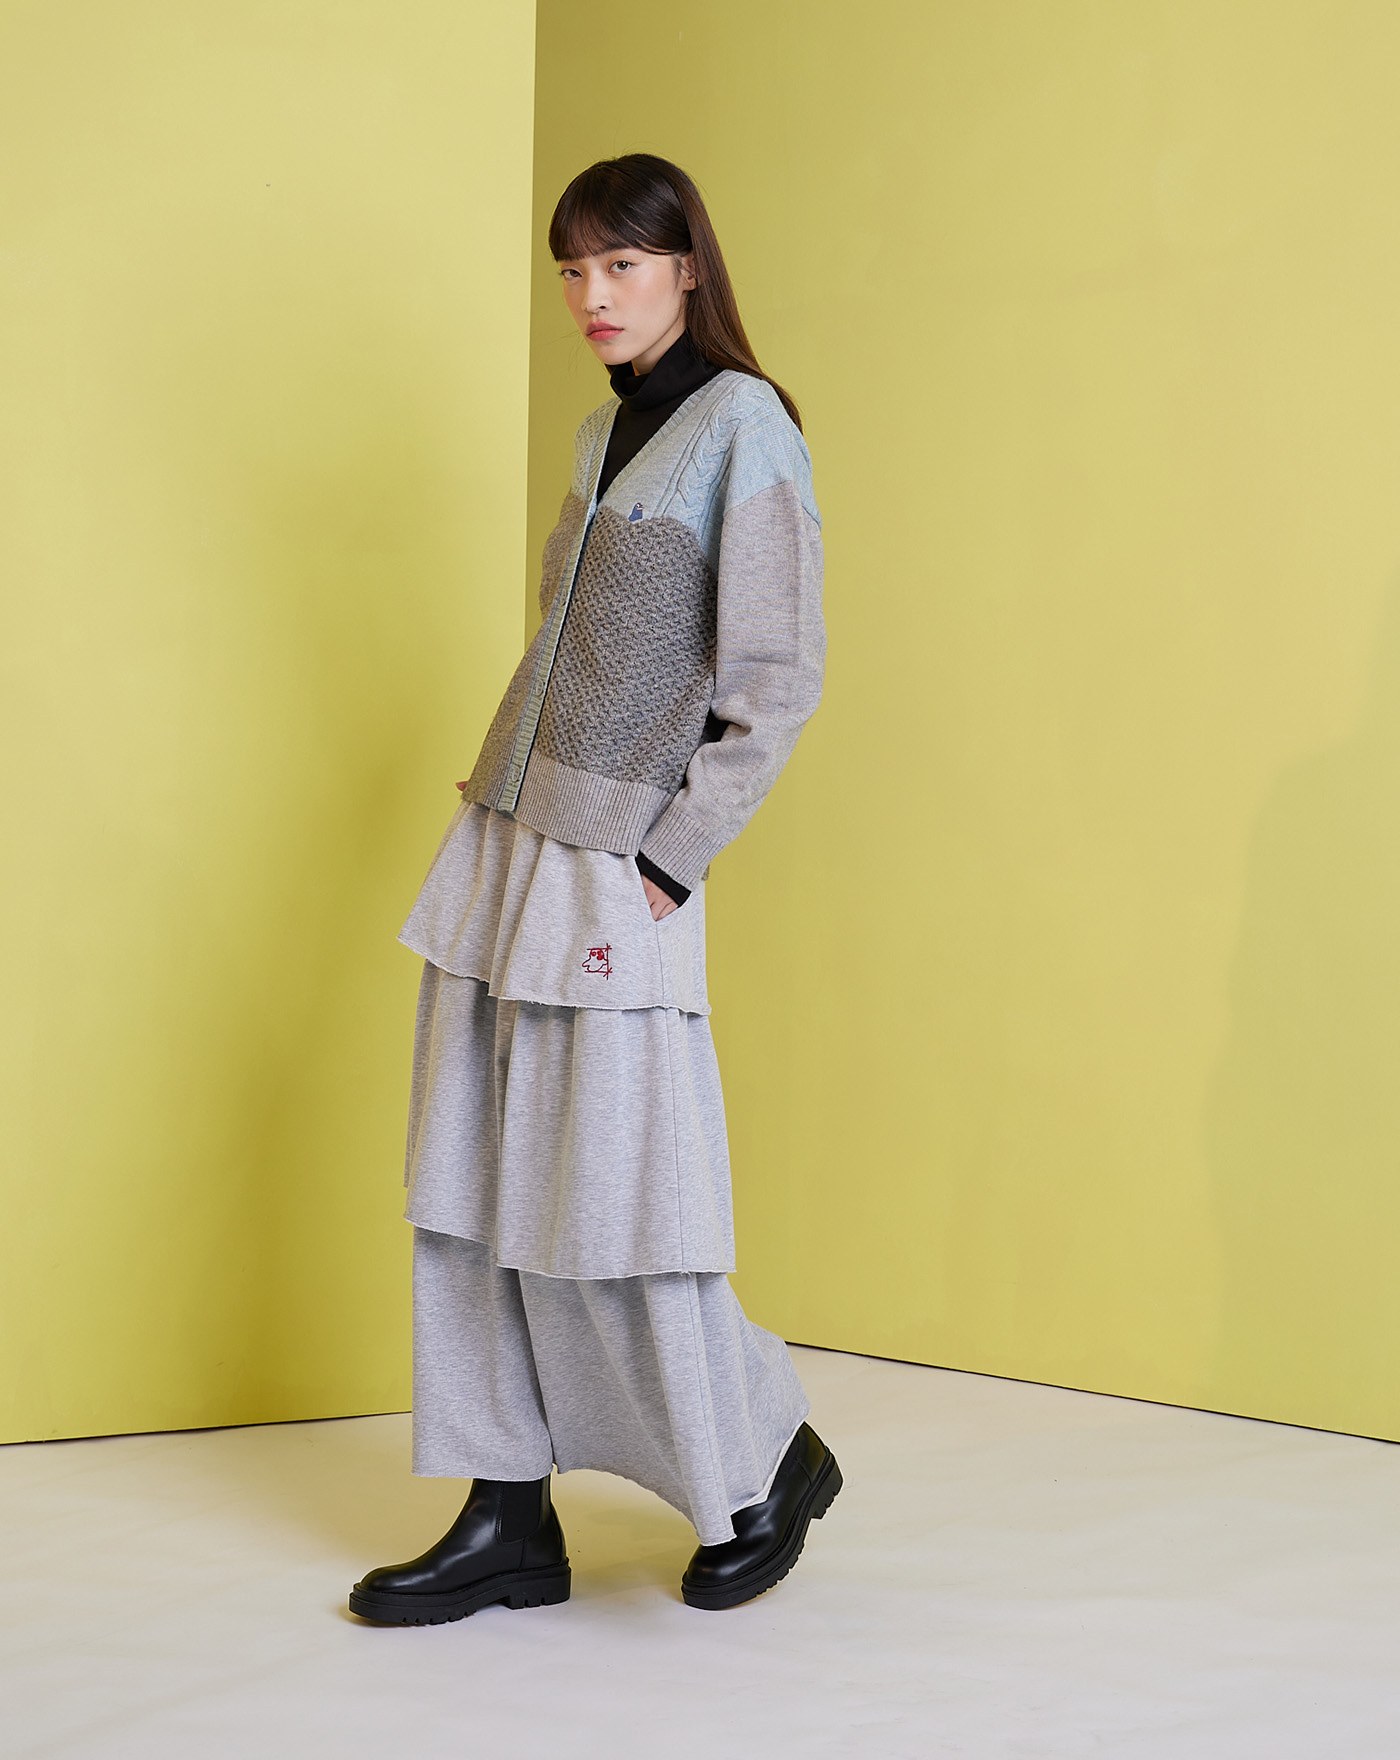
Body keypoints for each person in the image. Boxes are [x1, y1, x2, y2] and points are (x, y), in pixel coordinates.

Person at [348, 152, 839, 1625]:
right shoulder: (598, 430)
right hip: (507, 840)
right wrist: (510, 796)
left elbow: (777, 675)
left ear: (688, 266)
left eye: (620, 264)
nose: (592, 295)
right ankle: (506, 1508)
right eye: (572, 268)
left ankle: (761, 1456)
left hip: (619, 860)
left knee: (625, 1195)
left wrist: (671, 855)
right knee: (471, 1181)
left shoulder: (744, 427)